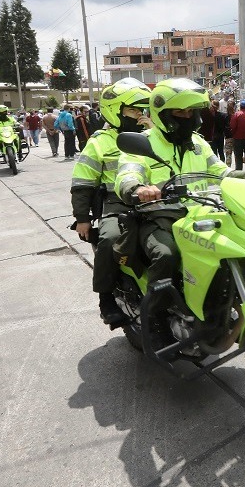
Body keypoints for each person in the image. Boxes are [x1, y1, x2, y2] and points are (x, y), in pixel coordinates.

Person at [114, 78, 245, 314]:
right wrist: (137, 188)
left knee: (239, 244)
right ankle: (156, 315)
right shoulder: (144, 142)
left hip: (200, 214)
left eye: (191, 111)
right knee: (167, 254)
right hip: (158, 217)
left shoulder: (198, 143)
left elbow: (220, 171)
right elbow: (128, 173)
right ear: (163, 114)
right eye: (180, 111)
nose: (187, 117)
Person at [70, 78, 152, 327]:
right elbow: (83, 183)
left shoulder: (153, 135)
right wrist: (83, 219)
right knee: (109, 240)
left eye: (142, 110)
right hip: (117, 204)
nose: (139, 115)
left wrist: (154, 131)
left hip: (155, 199)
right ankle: (106, 299)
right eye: (133, 110)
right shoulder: (99, 142)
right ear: (115, 111)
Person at [230, 99, 245, 171]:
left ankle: (239, 171)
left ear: (240, 106)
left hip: (237, 139)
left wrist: (233, 134)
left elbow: (232, 126)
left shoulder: (236, 114)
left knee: (238, 156)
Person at [223, 99, 235, 167]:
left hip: (228, 138)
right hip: (236, 137)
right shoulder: (236, 115)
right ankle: (238, 169)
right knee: (237, 155)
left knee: (228, 155)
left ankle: (228, 169)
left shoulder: (225, 116)